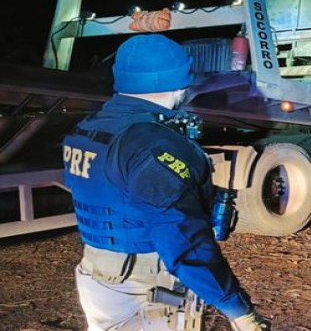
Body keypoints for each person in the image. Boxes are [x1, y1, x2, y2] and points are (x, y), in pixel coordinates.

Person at [62, 33, 271, 331]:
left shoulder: (89, 127)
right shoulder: (153, 143)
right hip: (144, 288)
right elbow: (183, 241)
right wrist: (236, 308)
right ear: (178, 83)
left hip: (99, 278)